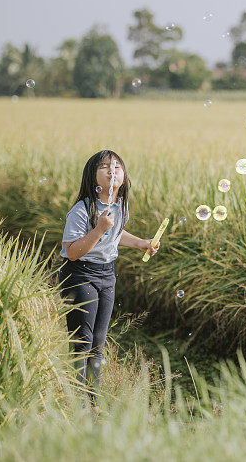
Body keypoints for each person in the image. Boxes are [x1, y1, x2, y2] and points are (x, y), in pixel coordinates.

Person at [58, 150, 159, 414]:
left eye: (117, 167)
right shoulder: (82, 209)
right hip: (79, 273)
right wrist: (99, 229)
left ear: (124, 178)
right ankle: (77, 403)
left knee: (99, 341)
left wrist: (141, 244)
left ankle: (93, 402)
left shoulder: (119, 206)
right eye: (104, 167)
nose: (112, 170)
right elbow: (72, 251)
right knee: (83, 339)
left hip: (106, 275)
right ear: (94, 178)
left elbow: (117, 232)